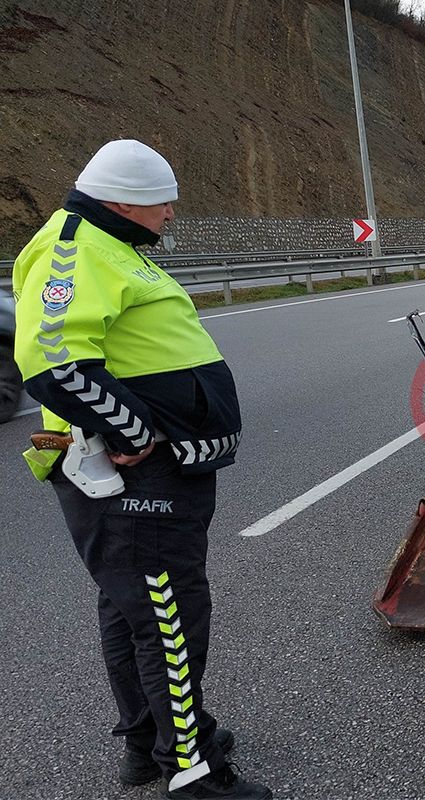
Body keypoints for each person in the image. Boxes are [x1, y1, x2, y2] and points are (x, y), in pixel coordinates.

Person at [12, 140, 271, 799]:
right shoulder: (73, 245)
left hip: (158, 473)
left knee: (138, 610)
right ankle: (191, 767)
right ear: (122, 200)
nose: (171, 214)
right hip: (139, 477)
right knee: (168, 615)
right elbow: (54, 360)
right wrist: (131, 429)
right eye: (162, 203)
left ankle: (148, 743)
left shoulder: (111, 246)